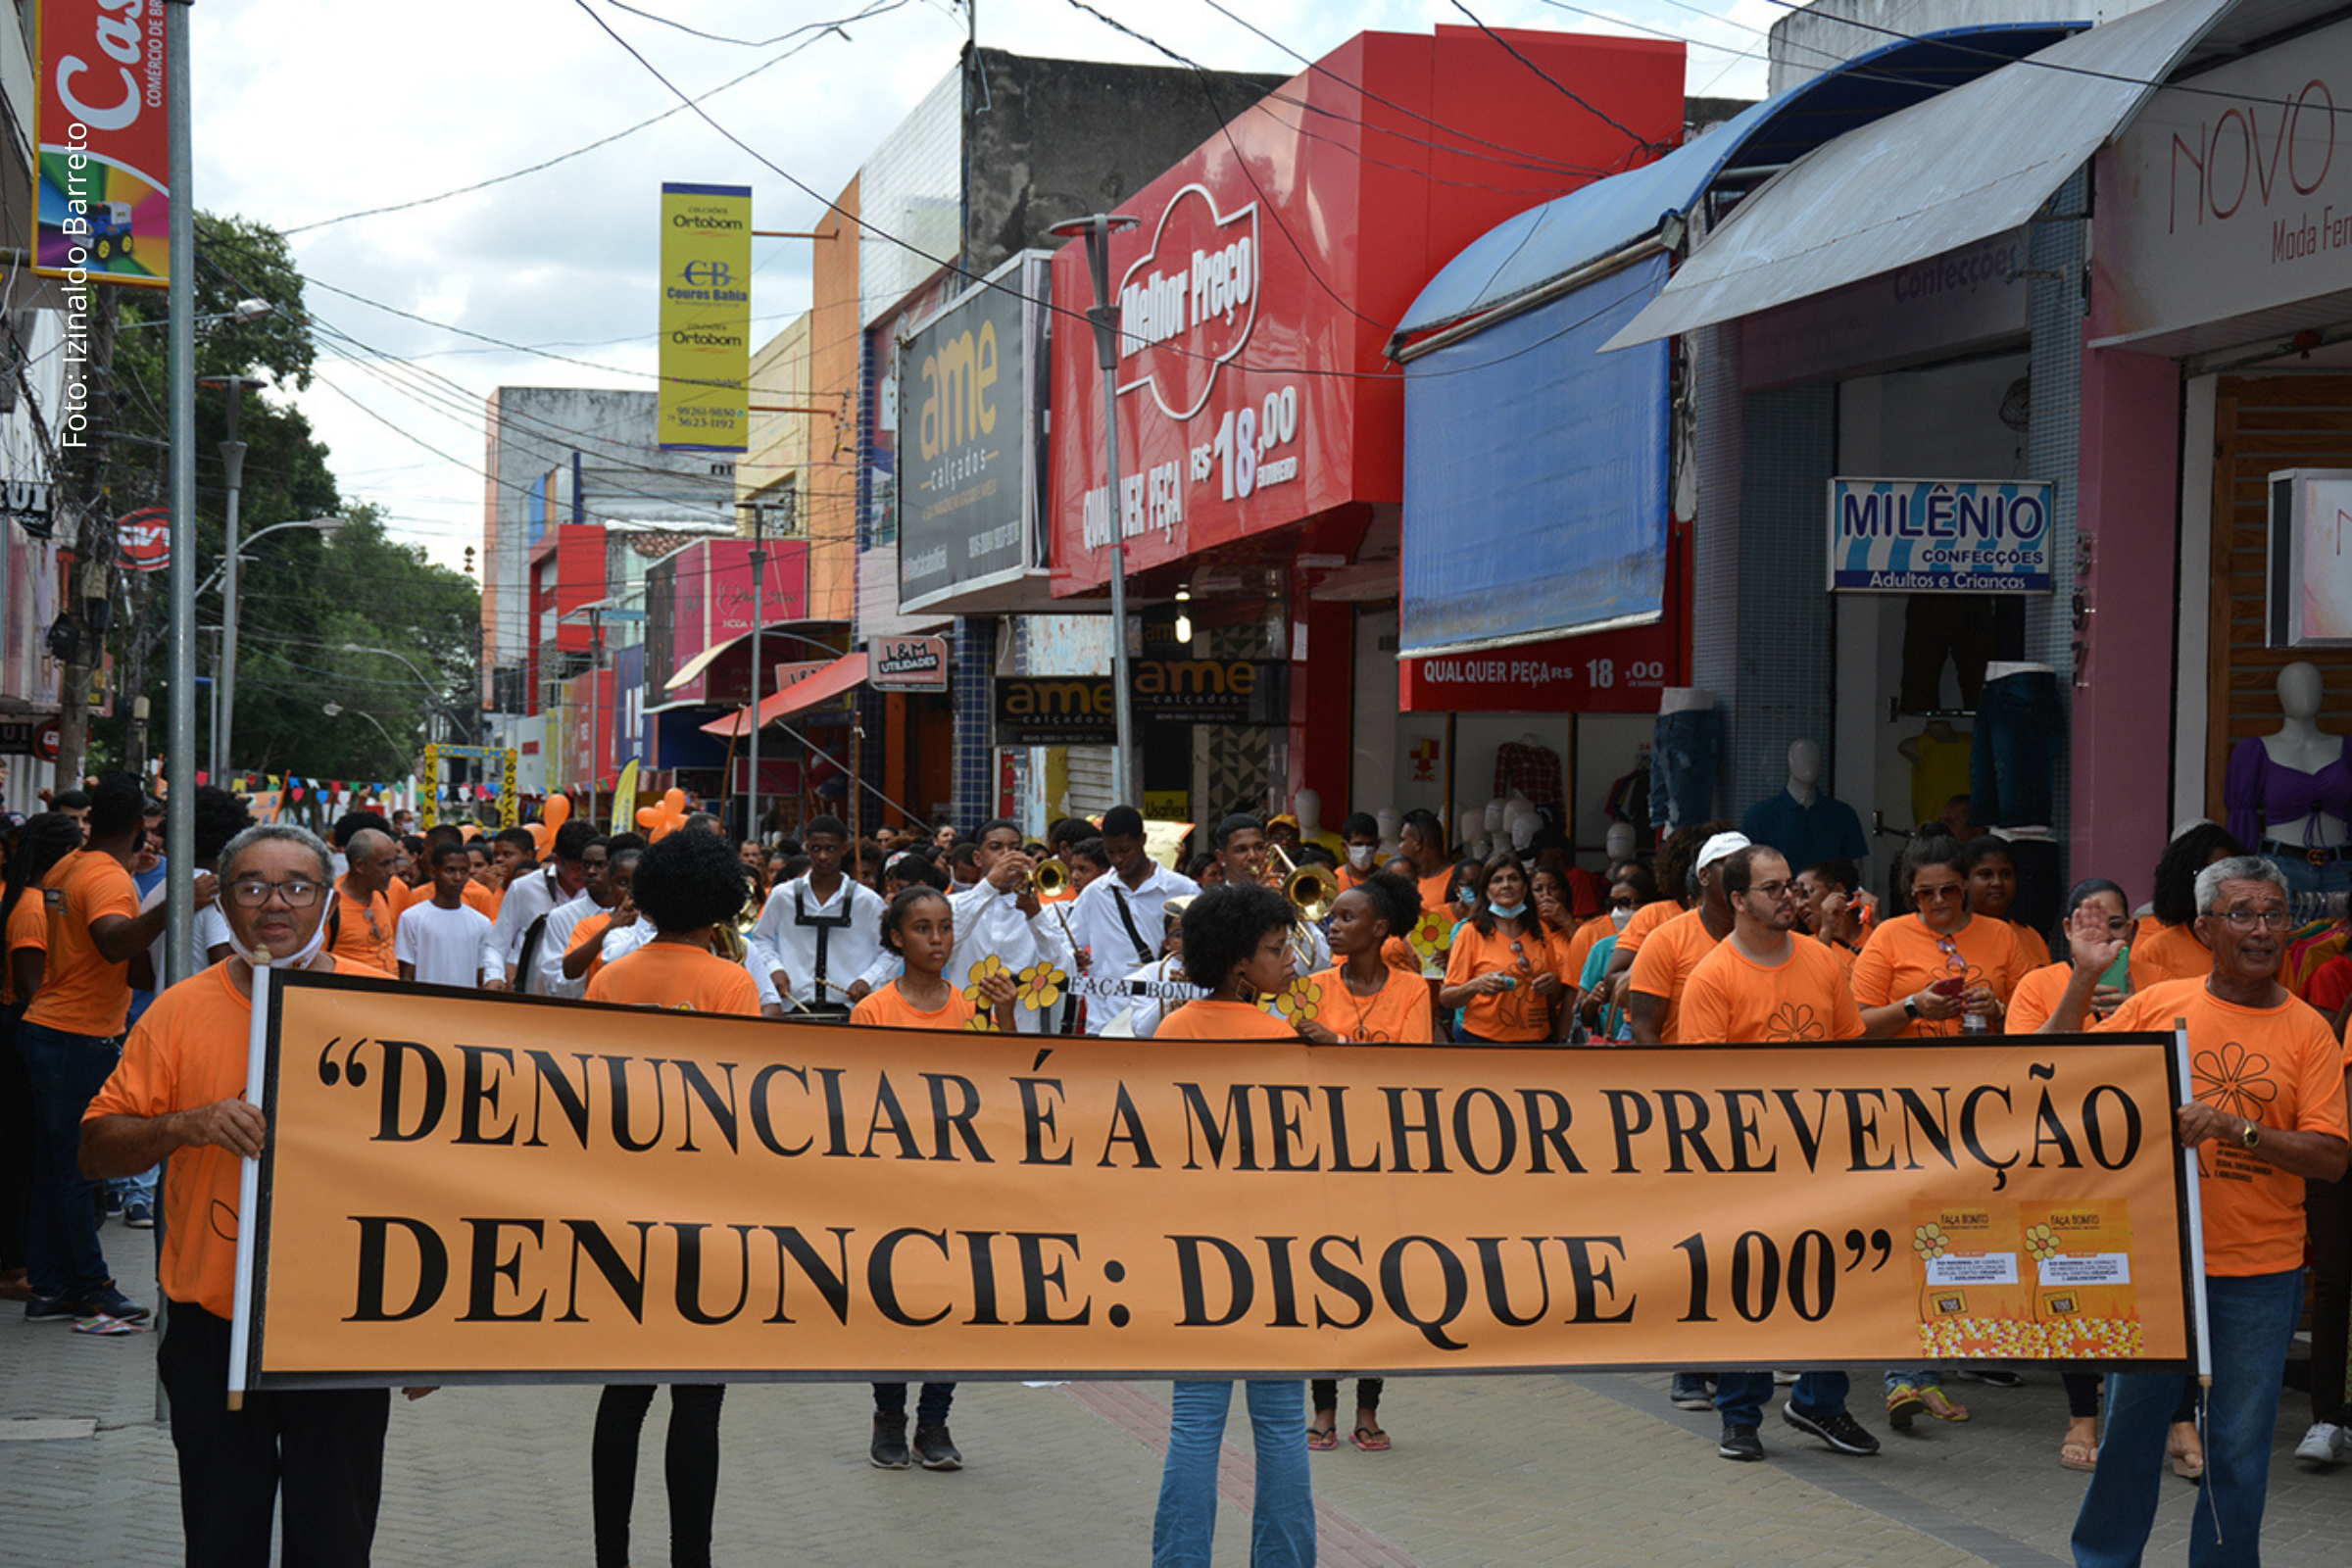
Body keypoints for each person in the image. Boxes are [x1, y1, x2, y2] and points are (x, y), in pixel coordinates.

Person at [80, 822, 408, 1563]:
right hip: (212, 1323)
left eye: (297, 886)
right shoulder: (179, 1010)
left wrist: (419, 1342)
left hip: (341, 1324)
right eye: (252, 887)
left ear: (328, 899)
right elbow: (96, 1149)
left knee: (335, 1536)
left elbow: (438, 1172)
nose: (274, 905)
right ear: (221, 903)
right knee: (223, 1535)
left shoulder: (387, 1008)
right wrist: (185, 1124)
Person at [2042, 856, 2349, 1566]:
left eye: (2275, 914)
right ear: (2206, 927)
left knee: (2238, 1449)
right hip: (2160, 1264)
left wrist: (2235, 1128)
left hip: (2259, 1274)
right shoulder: (2159, 1004)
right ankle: (2104, 1559)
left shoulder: (2309, 1030)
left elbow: (2332, 1156)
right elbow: (2054, 1072)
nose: (2263, 930)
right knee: (2129, 1438)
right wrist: (2085, 975)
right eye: (2243, 914)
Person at [581, 826, 760, 1568]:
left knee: (622, 1396)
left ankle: (610, 1556)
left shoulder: (609, 978)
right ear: (721, 900)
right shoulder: (731, 984)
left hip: (620, 1207)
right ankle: (693, 1557)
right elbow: (747, 1104)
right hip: (706, 1212)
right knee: (699, 1400)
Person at [1678, 846, 1878, 1462]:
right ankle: (1740, 1414)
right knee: (1750, 1284)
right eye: (1771, 889)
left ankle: (1821, 1401)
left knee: (1831, 1279)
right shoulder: (1713, 976)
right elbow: (1705, 1086)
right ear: (1737, 900)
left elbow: (1850, 1050)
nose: (1788, 898)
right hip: (1748, 1163)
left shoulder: (1822, 961)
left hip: (1822, 1154)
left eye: (1791, 886)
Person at [1152, 882, 1316, 1568]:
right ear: (1241, 966)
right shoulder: (1285, 1040)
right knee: (1280, 1428)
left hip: (1193, 1249)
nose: (1290, 962)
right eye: (1278, 950)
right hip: (1278, 1250)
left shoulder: (1169, 1033)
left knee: (1193, 1424)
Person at [22, 773, 210, 1322]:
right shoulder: (107, 877)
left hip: (54, 1029)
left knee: (56, 1168)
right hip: (75, 1035)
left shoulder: (70, 864)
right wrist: (177, 905)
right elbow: (111, 943)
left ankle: (52, 1288)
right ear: (138, 824)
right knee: (79, 1168)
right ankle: (91, 1289)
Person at [851, 886, 1017, 1471]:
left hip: (960, 1179)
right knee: (894, 1297)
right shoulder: (872, 1010)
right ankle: (889, 1416)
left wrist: (1004, 1015)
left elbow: (1004, 1081)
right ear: (896, 937)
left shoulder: (970, 1005)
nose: (937, 939)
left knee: (955, 1297)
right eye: (922, 928)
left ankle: (935, 1421)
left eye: (945, 927)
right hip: (893, 1179)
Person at [0, 811, 82, 1303]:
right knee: (20, 1160)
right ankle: (13, 1268)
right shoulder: (32, 908)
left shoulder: (29, 899)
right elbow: (31, 987)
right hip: (19, 1041)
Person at [1069, 806, 1200, 1030]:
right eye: (1110, 852)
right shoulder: (1094, 894)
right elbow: (1067, 941)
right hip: (1106, 1020)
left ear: (1143, 840)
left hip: (1164, 1019)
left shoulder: (1183, 888)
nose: (1117, 859)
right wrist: (1074, 957)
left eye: (1124, 850)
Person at [747, 814, 888, 1016]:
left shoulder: (868, 901)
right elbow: (762, 938)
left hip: (851, 1012)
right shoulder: (782, 895)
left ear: (843, 849)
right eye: (816, 849)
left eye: (830, 849)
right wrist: (774, 968)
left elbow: (890, 951)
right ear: (807, 847)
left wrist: (868, 979)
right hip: (794, 1009)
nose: (823, 856)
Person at [1625, 832, 1747, 1047]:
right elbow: (1644, 1031)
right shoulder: (1666, 940)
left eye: (1747, 868)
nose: (1741, 876)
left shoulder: (1766, 936)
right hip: (1682, 1074)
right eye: (1729, 866)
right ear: (1704, 876)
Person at [1440, 852, 1572, 1044]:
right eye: (1497, 880)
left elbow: (1553, 997)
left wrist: (1552, 984)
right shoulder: (1471, 932)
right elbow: (1447, 998)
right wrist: (1476, 985)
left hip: (1536, 1040)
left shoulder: (1540, 930)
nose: (1506, 885)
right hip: (1483, 1040)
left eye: (1513, 878)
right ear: (1486, 891)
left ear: (1525, 888)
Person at [1301, 871, 1430, 1047]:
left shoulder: (1413, 988)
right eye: (1333, 918)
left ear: (1379, 928)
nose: (1334, 927)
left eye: (1347, 918)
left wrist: (1337, 1041)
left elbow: (1414, 1057)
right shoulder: (1312, 986)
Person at [2133, 821, 2248, 989]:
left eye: (2230, 875)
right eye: (2207, 875)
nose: (2220, 886)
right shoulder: (2157, 949)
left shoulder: (2262, 945)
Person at [394, 843, 506, 989]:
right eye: (450, 870)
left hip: (465, 1008)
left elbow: (481, 975)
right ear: (433, 872)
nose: (458, 877)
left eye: (464, 871)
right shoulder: (411, 918)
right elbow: (407, 974)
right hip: (423, 1006)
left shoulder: (481, 922)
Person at [1959, 835, 2050, 967]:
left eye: (2006, 874)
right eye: (1985, 875)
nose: (1997, 883)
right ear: (1964, 882)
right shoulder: (1954, 934)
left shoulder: (2030, 936)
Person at [327, 827, 399, 974]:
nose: (392, 871)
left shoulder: (382, 895)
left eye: (393, 862)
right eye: (384, 864)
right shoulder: (331, 905)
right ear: (359, 866)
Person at [1336, 811, 1382, 891]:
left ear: (1377, 845)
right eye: (1358, 844)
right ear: (1344, 846)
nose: (1364, 850)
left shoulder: (1387, 880)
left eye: (1370, 844)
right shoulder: (1335, 880)